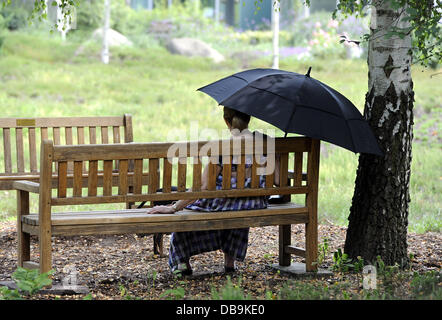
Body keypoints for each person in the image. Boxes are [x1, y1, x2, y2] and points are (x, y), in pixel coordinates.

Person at [147, 107, 278, 276]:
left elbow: (203, 187)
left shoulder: (222, 148)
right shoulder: (267, 142)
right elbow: (278, 181)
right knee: (238, 204)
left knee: (195, 208)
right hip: (254, 203)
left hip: (224, 203)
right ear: (248, 119)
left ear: (227, 121)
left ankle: (182, 262)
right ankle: (230, 262)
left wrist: (174, 207)